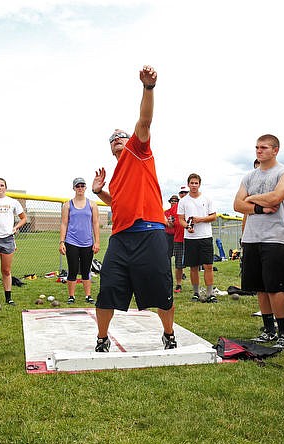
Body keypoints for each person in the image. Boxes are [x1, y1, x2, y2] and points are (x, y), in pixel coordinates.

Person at [90, 65, 176, 352]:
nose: (117, 138)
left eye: (121, 135)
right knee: (108, 290)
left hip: (149, 232)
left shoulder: (138, 151)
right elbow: (117, 203)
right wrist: (100, 191)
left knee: (161, 291)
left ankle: (168, 333)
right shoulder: (117, 175)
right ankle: (102, 339)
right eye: (112, 138)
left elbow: (145, 120)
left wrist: (148, 88)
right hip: (121, 237)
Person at [234, 134, 284, 349]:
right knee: (260, 287)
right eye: (257, 147)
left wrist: (250, 199)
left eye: (264, 148)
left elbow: (277, 197)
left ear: (275, 150)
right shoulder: (249, 176)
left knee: (275, 288)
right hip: (252, 237)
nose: (259, 151)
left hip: (274, 238)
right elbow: (236, 205)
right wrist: (259, 207)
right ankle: (268, 330)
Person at [0, 177, 27, 306]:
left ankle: (8, 298)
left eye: (2, 185)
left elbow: (23, 218)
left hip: (8, 239)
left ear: (5, 188)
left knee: (6, 271)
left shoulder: (13, 202)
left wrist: (15, 228)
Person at [177, 173, 218, 302]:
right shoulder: (183, 201)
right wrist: (187, 227)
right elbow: (181, 219)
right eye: (192, 183)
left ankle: (210, 294)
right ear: (188, 184)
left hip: (205, 236)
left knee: (208, 266)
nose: (194, 185)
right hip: (190, 238)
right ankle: (196, 293)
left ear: (199, 184)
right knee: (193, 267)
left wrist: (201, 219)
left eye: (196, 183)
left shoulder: (207, 199)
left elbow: (213, 216)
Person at [59, 177, 99, 304]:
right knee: (73, 269)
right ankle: (71, 296)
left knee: (86, 269)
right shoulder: (67, 205)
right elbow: (64, 224)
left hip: (87, 242)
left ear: (85, 187)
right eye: (78, 186)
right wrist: (62, 242)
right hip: (72, 241)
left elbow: (95, 223)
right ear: (74, 188)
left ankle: (88, 296)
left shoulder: (92, 204)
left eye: (82, 186)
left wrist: (97, 241)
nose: (80, 188)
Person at [172, 186, 189, 293]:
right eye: (181, 192)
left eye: (185, 192)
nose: (183, 194)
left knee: (195, 264)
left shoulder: (193, 204)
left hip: (192, 238)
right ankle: (178, 284)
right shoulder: (174, 208)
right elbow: (171, 223)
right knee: (178, 264)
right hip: (178, 239)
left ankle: (197, 287)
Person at [163, 194, 178, 260]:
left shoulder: (180, 212)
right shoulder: (166, 212)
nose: (173, 202)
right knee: (168, 254)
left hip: (178, 235)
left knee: (178, 255)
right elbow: (165, 222)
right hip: (168, 235)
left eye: (175, 201)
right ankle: (168, 270)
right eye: (172, 201)